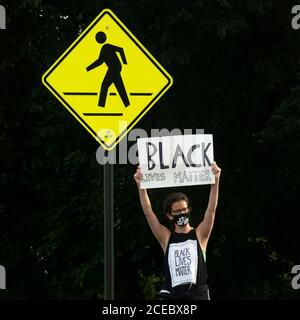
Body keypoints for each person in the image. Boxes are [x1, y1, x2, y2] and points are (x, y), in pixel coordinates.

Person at [133, 162, 221, 300]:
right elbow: (149, 213)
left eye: (184, 210)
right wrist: (140, 186)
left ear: (189, 210)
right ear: (169, 215)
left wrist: (215, 181)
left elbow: (211, 209)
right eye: (177, 211)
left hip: (198, 296)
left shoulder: (200, 234)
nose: (182, 213)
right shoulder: (166, 237)